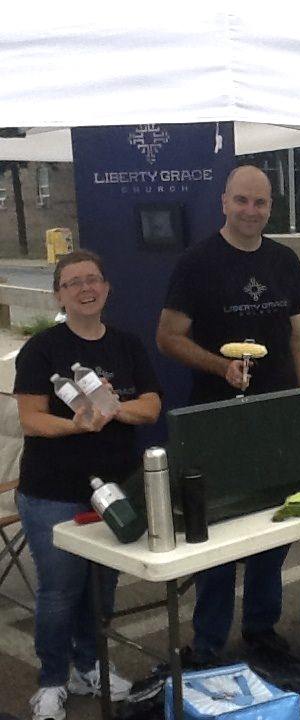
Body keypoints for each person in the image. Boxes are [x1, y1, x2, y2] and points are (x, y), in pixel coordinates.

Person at [156, 165, 300, 663]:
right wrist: (220, 366)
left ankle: (261, 629)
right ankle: (208, 643)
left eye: (261, 203)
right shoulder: (197, 263)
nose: (251, 211)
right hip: (215, 417)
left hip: (273, 414)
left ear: (272, 207)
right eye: (242, 201)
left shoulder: (284, 260)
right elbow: (167, 337)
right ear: (224, 202)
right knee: (219, 536)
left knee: (273, 526)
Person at [15, 250, 161, 720]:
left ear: (107, 287)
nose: (85, 289)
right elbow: (32, 420)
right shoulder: (42, 350)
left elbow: (153, 406)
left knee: (102, 586)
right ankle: (53, 681)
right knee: (59, 591)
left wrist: (114, 409)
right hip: (52, 492)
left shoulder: (126, 345)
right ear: (59, 294)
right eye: (73, 282)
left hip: (116, 489)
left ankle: (90, 665)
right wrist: (80, 424)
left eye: (92, 279)